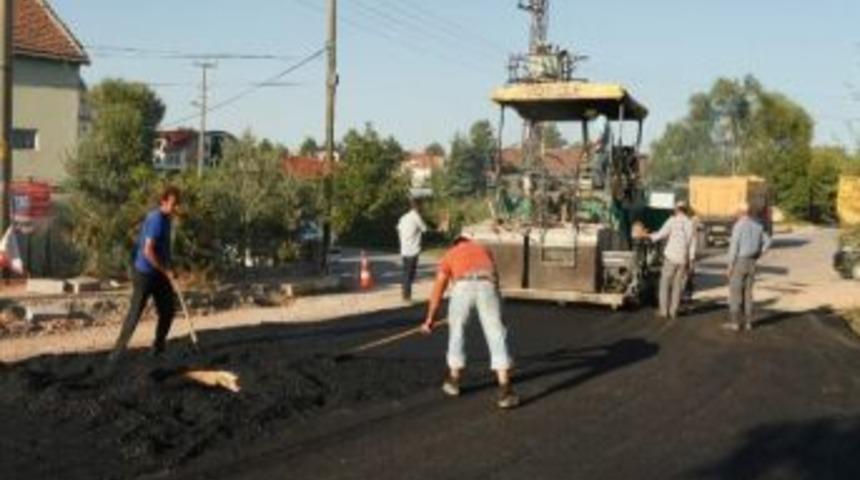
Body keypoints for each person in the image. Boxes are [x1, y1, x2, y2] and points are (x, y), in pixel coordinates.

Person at [421, 235, 519, 409]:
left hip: (462, 286)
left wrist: (430, 319)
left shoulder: (450, 254)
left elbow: (439, 287)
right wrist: (499, 314)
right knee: (496, 335)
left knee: (457, 332)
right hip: (487, 284)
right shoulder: (483, 250)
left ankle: (454, 381)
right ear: (468, 241)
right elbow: (495, 281)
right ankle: (505, 389)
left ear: (455, 243)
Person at [108, 186, 180, 363]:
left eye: (177, 204)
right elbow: (148, 251)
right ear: (163, 201)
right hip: (145, 273)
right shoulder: (156, 219)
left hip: (159, 273)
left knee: (168, 310)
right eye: (173, 204)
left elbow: (163, 249)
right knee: (135, 313)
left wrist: (170, 266)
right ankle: (117, 354)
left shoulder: (167, 219)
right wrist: (166, 270)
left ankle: (158, 348)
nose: (176, 207)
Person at [725, 202, 772, 332]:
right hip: (752, 262)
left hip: (739, 262)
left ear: (740, 212)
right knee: (748, 293)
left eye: (736, 211)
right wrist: (760, 253)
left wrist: (729, 266)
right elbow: (768, 241)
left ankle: (735, 323)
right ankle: (748, 323)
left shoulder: (738, 226)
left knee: (735, 293)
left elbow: (733, 247)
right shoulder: (757, 226)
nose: (735, 213)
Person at [646, 201, 696, 319]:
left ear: (677, 209)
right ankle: (674, 311)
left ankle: (664, 311)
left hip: (671, 257)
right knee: (677, 286)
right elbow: (692, 243)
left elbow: (660, 234)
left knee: (665, 284)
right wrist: (691, 260)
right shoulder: (689, 223)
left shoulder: (672, 221)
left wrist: (647, 236)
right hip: (682, 259)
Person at [397, 197, 428, 302]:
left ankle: (405, 294)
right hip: (413, 250)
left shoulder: (403, 217)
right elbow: (425, 229)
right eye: (421, 206)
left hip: (404, 249)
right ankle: (406, 297)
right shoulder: (416, 217)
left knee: (406, 273)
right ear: (417, 206)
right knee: (410, 274)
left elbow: (398, 229)